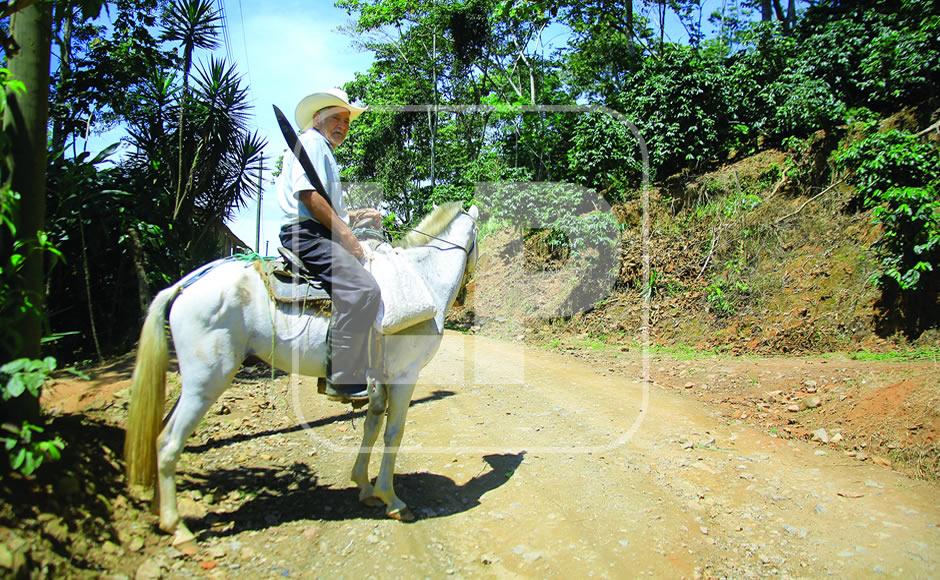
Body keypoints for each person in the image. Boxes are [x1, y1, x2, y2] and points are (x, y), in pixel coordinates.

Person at [277, 88, 382, 403]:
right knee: (364, 290)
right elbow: (308, 197)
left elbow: (329, 206)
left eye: (347, 121)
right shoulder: (311, 142)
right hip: (307, 234)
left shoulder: (320, 148)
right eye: (336, 117)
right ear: (317, 118)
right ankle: (342, 377)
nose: (342, 125)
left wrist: (364, 214)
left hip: (315, 228)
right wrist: (348, 238)